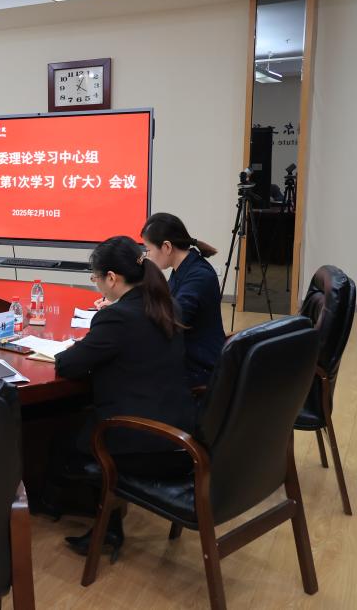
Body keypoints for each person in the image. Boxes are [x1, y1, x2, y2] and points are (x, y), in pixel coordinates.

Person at [52, 236, 197, 559]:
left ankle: (100, 522)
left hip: (144, 442)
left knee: (63, 443)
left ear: (112, 278)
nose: (97, 284)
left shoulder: (117, 317)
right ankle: (110, 523)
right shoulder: (167, 304)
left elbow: (68, 365)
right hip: (181, 434)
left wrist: (77, 347)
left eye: (96, 278)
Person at [141, 212, 225, 387]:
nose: (147, 255)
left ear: (166, 247)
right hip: (186, 356)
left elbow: (172, 319)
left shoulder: (199, 275)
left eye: (148, 249)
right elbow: (164, 302)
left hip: (198, 368)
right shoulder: (183, 268)